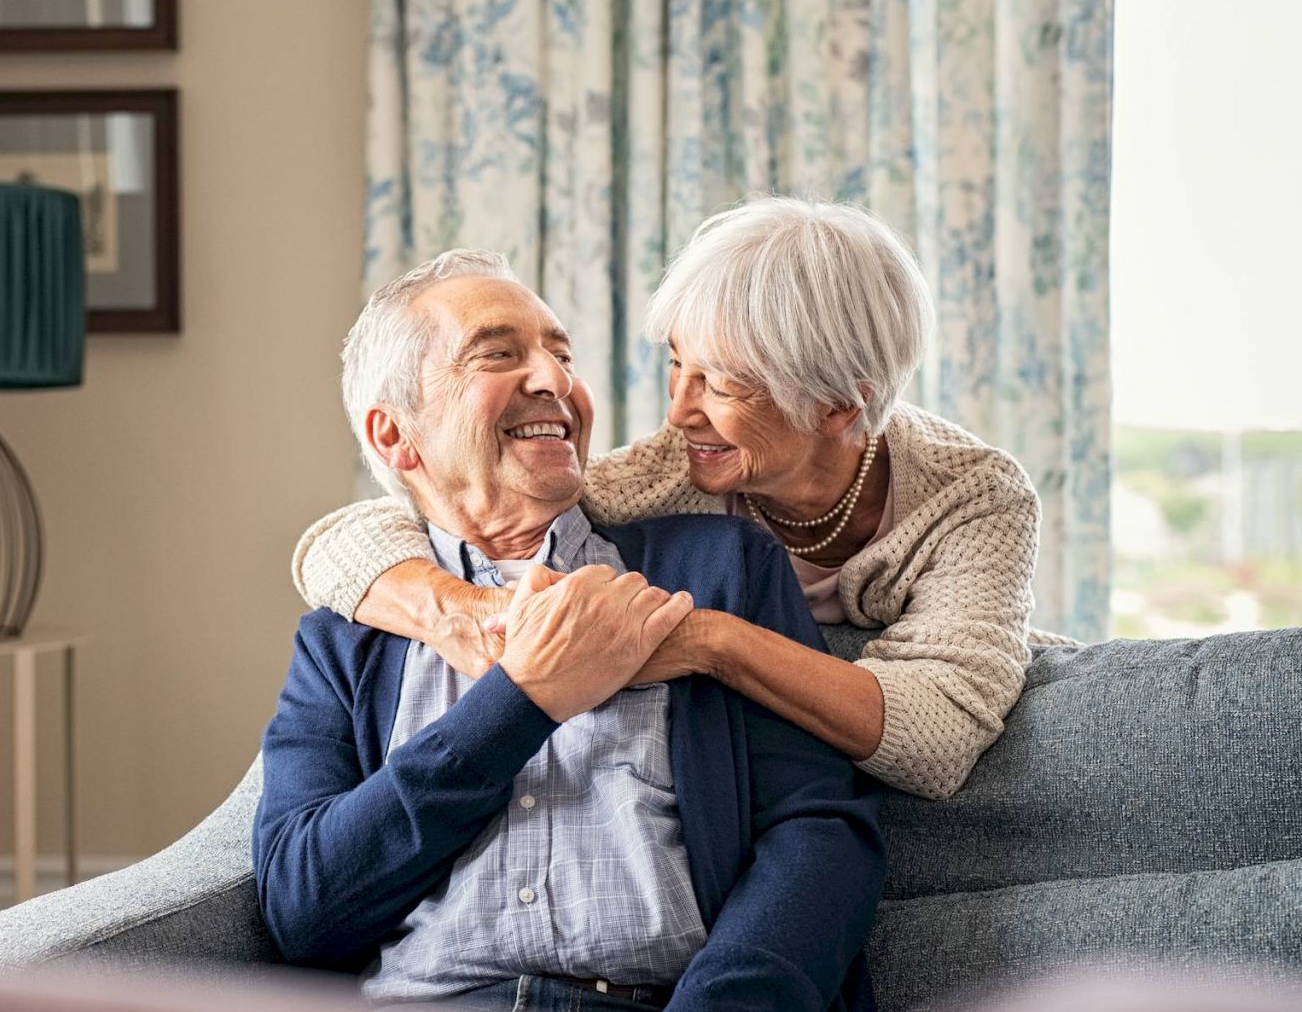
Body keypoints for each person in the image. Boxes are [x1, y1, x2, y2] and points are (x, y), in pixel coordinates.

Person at [253, 251, 883, 1012]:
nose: (555, 379)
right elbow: (304, 907)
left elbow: (821, 837)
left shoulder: (717, 570)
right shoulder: (346, 635)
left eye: (562, 353)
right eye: (497, 354)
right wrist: (524, 699)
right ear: (396, 434)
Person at [292, 198, 1046, 800]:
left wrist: (709, 642)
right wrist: (462, 610)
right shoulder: (670, 471)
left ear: (838, 407)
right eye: (677, 366)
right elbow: (349, 537)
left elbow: (939, 736)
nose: (680, 412)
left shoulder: (973, 498)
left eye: (718, 383)